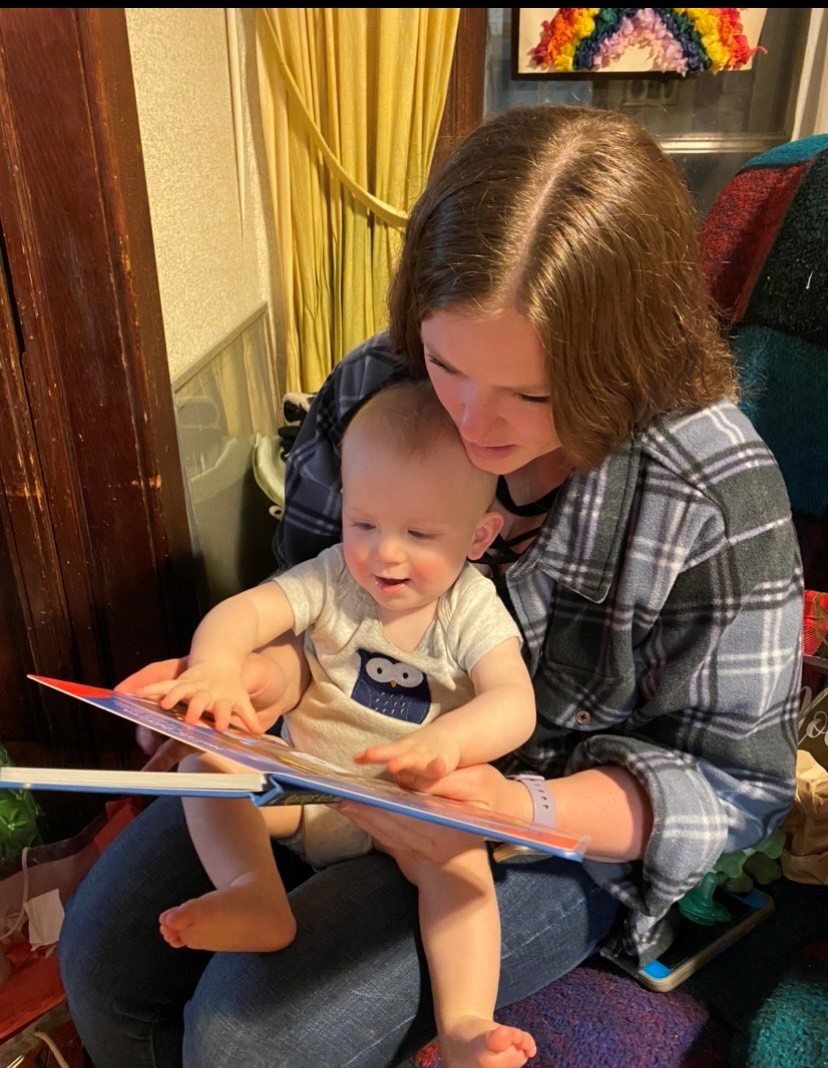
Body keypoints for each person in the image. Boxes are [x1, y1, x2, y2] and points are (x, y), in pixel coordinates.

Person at [59, 104, 803, 1068]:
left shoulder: (709, 490)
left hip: (547, 827)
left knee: (254, 1037)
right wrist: (249, 687)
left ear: (629, 359)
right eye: (450, 365)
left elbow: (741, 783)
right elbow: (318, 595)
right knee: (103, 961)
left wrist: (524, 808)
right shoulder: (380, 383)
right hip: (331, 758)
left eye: (536, 394)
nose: (476, 424)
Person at [137, 378, 538, 1067]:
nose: (385, 553)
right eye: (365, 524)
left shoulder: (472, 611)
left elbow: (514, 704)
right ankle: (255, 896)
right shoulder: (332, 578)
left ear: (479, 536)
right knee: (205, 768)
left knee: (460, 863)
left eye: (418, 533)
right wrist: (219, 667)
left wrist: (447, 743)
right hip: (305, 790)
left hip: (403, 816)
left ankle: (468, 1019)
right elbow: (245, 612)